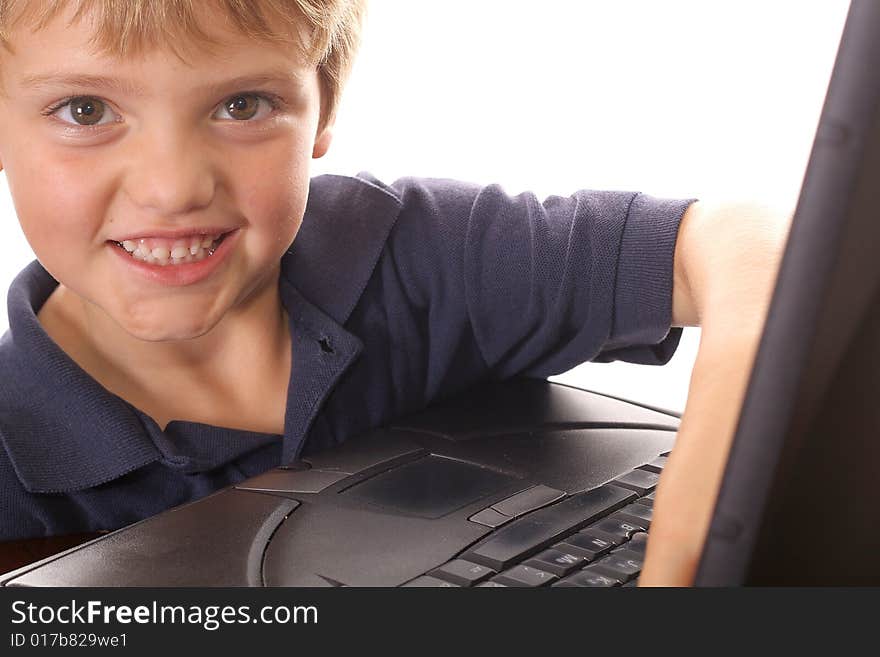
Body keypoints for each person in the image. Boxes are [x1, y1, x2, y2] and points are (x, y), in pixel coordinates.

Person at [0, 0, 789, 586]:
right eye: (85, 110)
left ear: (324, 110)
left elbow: (737, 238)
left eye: (243, 105)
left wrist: (733, 396)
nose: (172, 187)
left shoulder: (418, 255)